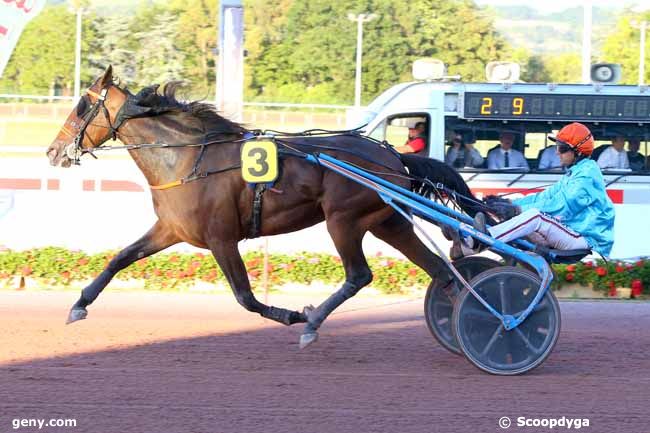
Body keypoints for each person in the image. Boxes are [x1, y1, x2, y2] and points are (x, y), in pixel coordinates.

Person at [465, 123, 614, 258]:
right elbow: (545, 196)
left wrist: (517, 209)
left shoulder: (586, 176)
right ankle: (467, 244)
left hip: (586, 240)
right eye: (557, 147)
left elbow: (561, 205)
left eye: (562, 148)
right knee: (522, 217)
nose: (557, 152)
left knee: (536, 217)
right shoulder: (576, 172)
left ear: (578, 152)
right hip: (572, 233)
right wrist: (510, 202)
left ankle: (484, 239)